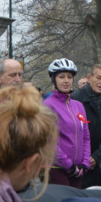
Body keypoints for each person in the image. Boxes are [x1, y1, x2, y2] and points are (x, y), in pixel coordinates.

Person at [42, 58, 91, 188]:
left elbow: (85, 136)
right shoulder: (47, 105)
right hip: (57, 168)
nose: (66, 80)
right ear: (54, 80)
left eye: (69, 77)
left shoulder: (78, 106)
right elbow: (49, 142)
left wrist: (85, 163)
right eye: (61, 77)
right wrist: (68, 165)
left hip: (78, 170)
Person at [71, 63, 101, 187]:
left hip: (97, 163)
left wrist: (96, 157)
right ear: (89, 77)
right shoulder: (75, 99)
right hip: (76, 164)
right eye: (99, 78)